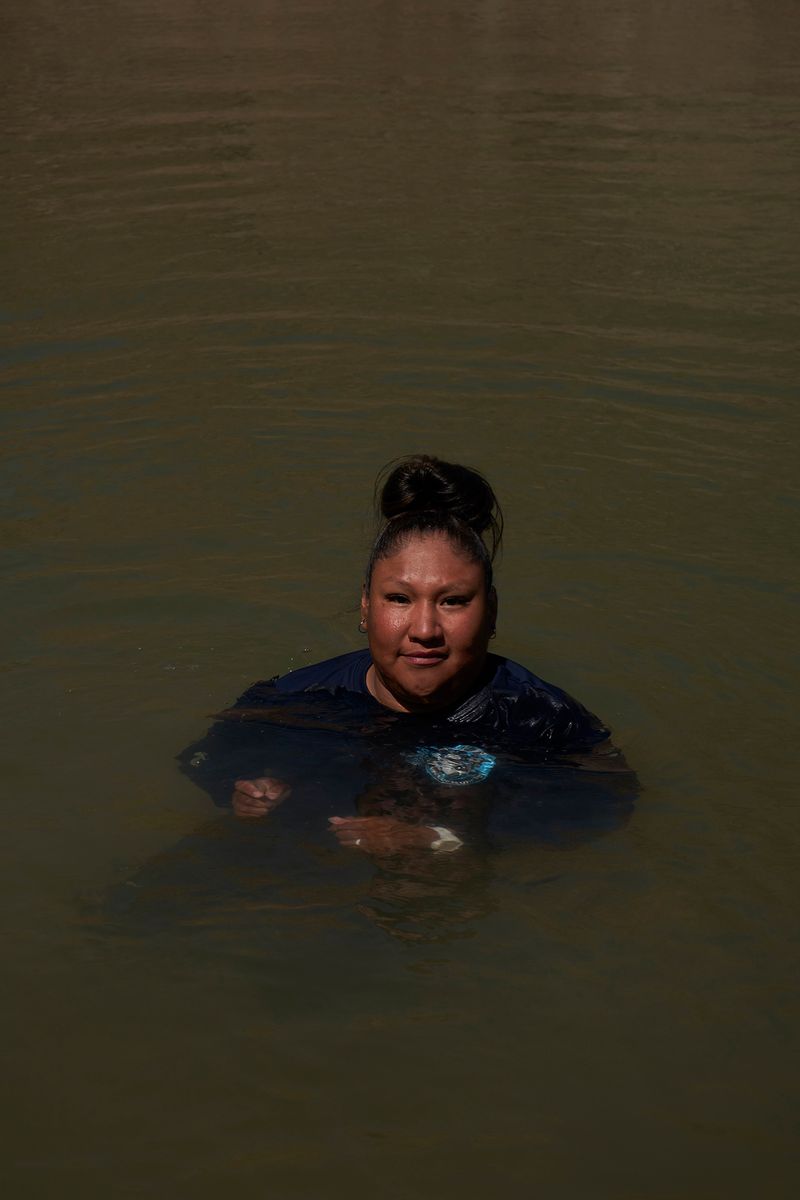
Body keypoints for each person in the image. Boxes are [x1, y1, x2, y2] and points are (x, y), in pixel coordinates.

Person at [179, 455, 635, 862]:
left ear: (491, 611)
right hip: (297, 867)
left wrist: (437, 841)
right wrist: (242, 789)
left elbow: (607, 804)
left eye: (453, 601)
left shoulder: (542, 722)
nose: (424, 630)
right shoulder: (295, 700)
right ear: (365, 607)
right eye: (399, 599)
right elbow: (206, 757)